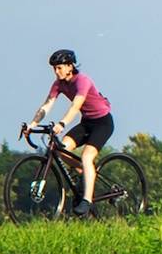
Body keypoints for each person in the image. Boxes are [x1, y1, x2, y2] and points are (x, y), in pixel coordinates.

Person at [27, 49, 114, 216]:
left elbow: (76, 105)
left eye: (59, 67)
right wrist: (32, 124)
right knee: (62, 149)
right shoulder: (58, 84)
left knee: (87, 156)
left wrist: (62, 123)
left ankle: (86, 201)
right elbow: (46, 105)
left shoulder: (82, 81)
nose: (56, 71)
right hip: (87, 122)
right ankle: (85, 172)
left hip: (103, 123)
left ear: (70, 66)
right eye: (54, 68)